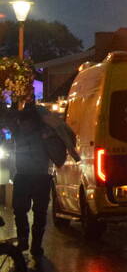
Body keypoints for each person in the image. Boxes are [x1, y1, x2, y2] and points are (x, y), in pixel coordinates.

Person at [0, 95, 78, 256]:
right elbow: (7, 117)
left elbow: (64, 133)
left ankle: (34, 244)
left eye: (26, 121)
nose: (24, 124)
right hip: (29, 177)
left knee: (36, 213)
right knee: (22, 211)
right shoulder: (22, 131)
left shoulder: (42, 133)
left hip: (37, 177)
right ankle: (25, 241)